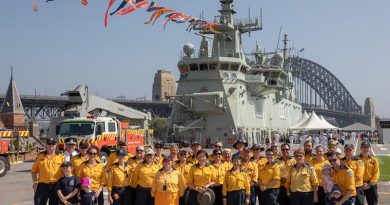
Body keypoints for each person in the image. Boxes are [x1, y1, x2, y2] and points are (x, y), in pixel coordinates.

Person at [31, 137, 65, 205]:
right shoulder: (40, 156)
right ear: (46, 145)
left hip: (56, 185)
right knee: (39, 203)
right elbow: (34, 170)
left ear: (56, 145)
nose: (51, 145)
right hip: (43, 185)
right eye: (49, 144)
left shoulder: (61, 157)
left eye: (53, 144)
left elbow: (65, 171)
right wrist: (35, 182)